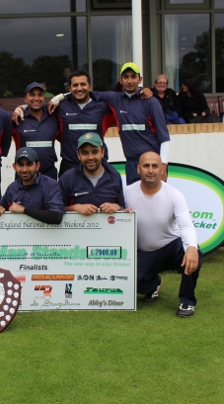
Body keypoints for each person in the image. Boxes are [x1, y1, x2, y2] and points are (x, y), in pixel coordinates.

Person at [63, 62, 170, 186]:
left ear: (140, 79)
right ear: (120, 80)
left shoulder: (151, 102)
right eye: (126, 77)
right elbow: (86, 92)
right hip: (131, 163)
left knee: (156, 197)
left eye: (133, 76)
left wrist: (163, 165)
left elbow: (164, 137)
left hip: (152, 163)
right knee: (133, 198)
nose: (129, 81)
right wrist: (60, 97)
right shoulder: (115, 99)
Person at [125, 151, 201, 317]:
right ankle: (153, 284)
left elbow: (186, 225)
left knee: (194, 253)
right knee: (127, 282)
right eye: (146, 166)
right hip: (144, 252)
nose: (150, 170)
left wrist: (191, 248)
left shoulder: (174, 195)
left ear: (162, 169)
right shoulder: (127, 193)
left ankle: (187, 301)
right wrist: (120, 211)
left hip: (170, 248)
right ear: (138, 169)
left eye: (155, 166)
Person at [50, 70, 115, 177]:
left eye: (83, 84)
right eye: (75, 85)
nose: (79, 88)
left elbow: (123, 100)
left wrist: (143, 92)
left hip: (96, 165)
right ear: (69, 88)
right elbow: (38, 109)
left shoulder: (103, 106)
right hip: (69, 165)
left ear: (90, 86)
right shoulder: (61, 107)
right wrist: (21, 108)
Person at [0, 147, 64, 225]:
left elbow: (57, 216)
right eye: (21, 165)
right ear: (14, 167)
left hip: (46, 234)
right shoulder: (12, 188)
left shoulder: (50, 185)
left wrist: (24, 210)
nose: (25, 169)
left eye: (29, 164)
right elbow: (0, 206)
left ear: (37, 166)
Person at [59, 132, 125, 214]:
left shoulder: (114, 176)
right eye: (85, 153)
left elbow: (123, 208)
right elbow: (57, 209)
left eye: (95, 152)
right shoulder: (67, 178)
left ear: (102, 152)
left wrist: (116, 207)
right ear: (78, 155)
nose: (90, 157)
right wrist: (75, 208)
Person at [12, 82, 60, 179]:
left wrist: (61, 96)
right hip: (25, 175)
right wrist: (20, 108)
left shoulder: (53, 115)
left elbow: (71, 99)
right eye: (32, 95)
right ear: (25, 98)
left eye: (40, 95)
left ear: (44, 98)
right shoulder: (17, 118)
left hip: (49, 174)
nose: (36, 98)